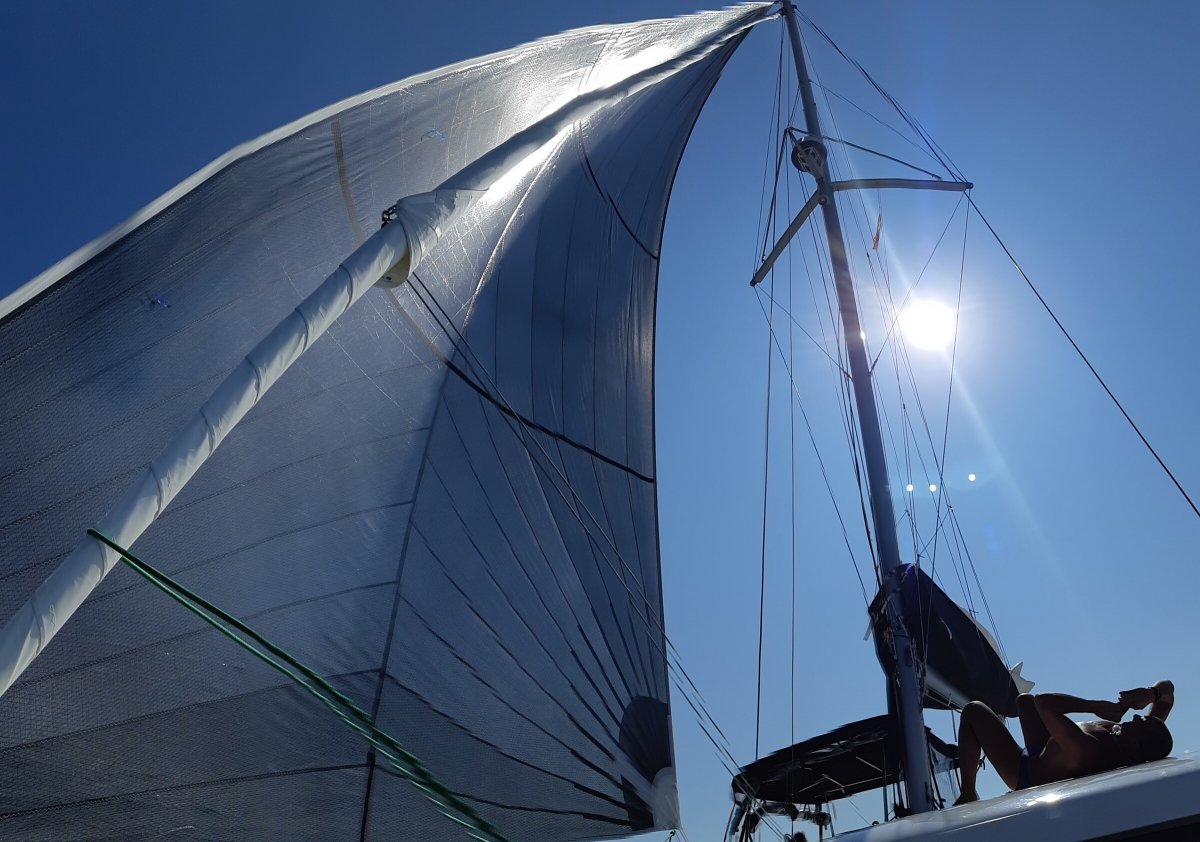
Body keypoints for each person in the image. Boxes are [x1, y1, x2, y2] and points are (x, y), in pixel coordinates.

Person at [954, 679, 1174, 804]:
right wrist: (1151, 694)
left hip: (1027, 773)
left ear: (1137, 745)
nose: (1136, 717)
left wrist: (1094, 706)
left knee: (973, 711)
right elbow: (1168, 693)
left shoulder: (1090, 750)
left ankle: (968, 793)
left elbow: (1044, 703)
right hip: (1048, 750)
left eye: (1141, 722)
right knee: (1024, 701)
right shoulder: (1138, 740)